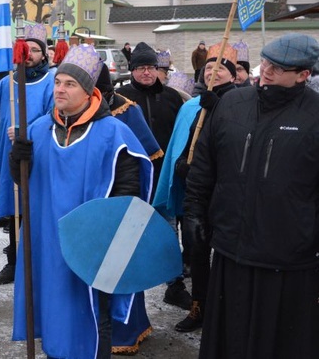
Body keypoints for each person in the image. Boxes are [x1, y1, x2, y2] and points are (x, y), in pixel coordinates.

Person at [9, 45, 153, 359]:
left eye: (70, 84)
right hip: (49, 242)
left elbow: (128, 194)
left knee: (90, 314)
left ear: (88, 92)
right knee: (52, 309)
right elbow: (25, 183)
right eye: (58, 82)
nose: (60, 89)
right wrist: (16, 160)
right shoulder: (38, 129)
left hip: (92, 247)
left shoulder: (114, 133)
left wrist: (103, 234)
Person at [185, 33, 319, 358]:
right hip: (232, 251)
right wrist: (193, 213)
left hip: (287, 260)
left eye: (280, 67)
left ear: (303, 74)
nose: (268, 71)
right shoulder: (233, 103)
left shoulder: (314, 115)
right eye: (267, 62)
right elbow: (204, 165)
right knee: (229, 343)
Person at [153, 43, 238, 334]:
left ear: (234, 75)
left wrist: (222, 109)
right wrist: (181, 165)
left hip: (225, 194)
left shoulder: (242, 101)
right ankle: (198, 307)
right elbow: (186, 143)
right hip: (195, 192)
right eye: (209, 68)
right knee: (197, 252)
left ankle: (225, 310)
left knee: (226, 255)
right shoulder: (193, 105)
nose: (214, 72)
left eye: (221, 68)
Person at [117, 41, 189, 310]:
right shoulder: (120, 98)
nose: (147, 72)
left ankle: (175, 284)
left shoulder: (172, 97)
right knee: (130, 233)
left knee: (168, 231)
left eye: (152, 67)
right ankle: (128, 285)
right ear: (132, 70)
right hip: (131, 177)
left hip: (163, 178)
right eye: (141, 67)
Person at [95, 63, 161, 355]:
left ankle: (127, 329)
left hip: (122, 201)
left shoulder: (125, 110)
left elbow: (148, 155)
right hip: (87, 205)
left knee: (121, 270)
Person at [0, 24, 54, 285]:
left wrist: (27, 132)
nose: (29, 53)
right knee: (15, 211)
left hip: (42, 156)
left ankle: (38, 264)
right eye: (25, 48)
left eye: (35, 49)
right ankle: (14, 263)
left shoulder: (52, 81)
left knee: (37, 210)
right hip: (10, 157)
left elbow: (55, 117)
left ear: (44, 54)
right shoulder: (7, 83)